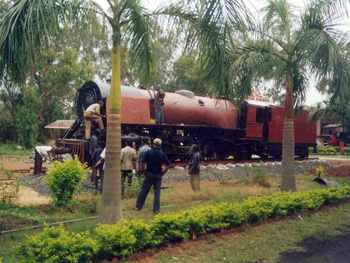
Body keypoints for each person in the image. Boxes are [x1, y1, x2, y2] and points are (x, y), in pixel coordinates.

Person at [135, 138, 170, 214]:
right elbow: (168, 165)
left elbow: (143, 163)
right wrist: (163, 173)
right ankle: (156, 210)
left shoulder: (148, 152)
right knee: (157, 193)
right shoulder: (162, 154)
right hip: (158, 175)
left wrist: (144, 172)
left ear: (153, 144)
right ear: (160, 145)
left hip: (149, 174)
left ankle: (138, 206)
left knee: (144, 190)